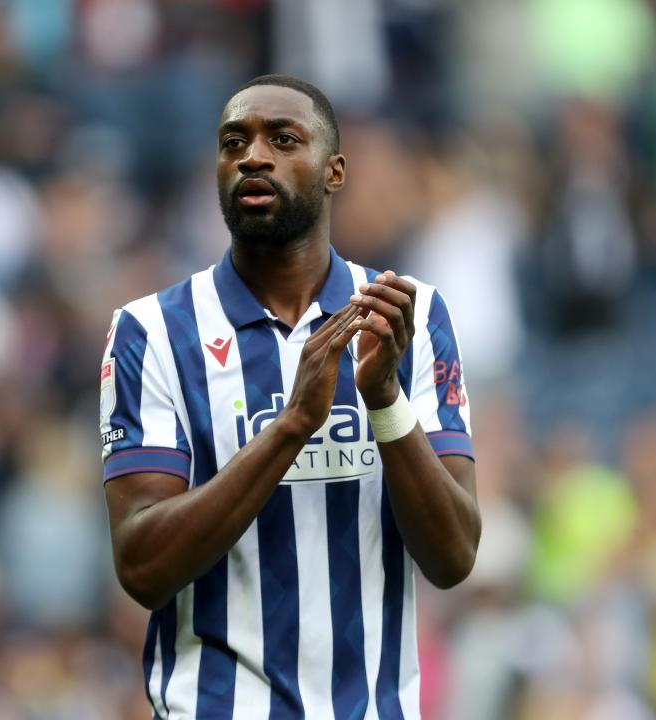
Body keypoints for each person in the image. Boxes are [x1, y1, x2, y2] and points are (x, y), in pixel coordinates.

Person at [100, 74, 481, 719]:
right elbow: (142, 567)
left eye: (282, 139)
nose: (252, 155)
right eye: (233, 142)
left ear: (334, 172)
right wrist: (290, 427)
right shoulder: (152, 332)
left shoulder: (408, 316)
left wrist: (384, 399)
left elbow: (453, 557)